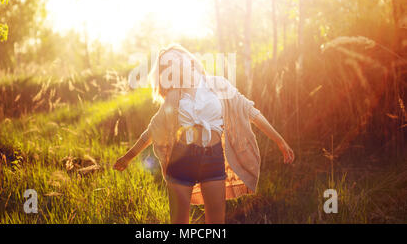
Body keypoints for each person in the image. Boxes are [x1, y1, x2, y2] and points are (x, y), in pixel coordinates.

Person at [113, 43, 294, 224]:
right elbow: (152, 130)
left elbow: (249, 111)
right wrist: (127, 158)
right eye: (168, 63)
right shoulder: (175, 95)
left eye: (176, 57)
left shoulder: (218, 84)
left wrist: (280, 141)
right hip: (181, 161)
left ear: (188, 59)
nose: (174, 63)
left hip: (213, 159)